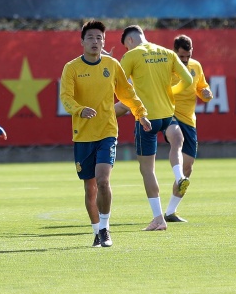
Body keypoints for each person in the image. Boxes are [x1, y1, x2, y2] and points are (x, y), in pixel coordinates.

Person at [60, 21, 150, 247]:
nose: (95, 41)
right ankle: (96, 231)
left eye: (99, 38)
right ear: (82, 41)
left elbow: (127, 94)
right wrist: (80, 109)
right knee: (90, 187)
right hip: (82, 135)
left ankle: (105, 229)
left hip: (107, 132)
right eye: (90, 37)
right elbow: (66, 99)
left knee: (102, 180)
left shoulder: (112, 65)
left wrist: (141, 114)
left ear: (104, 42)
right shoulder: (71, 68)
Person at [120, 25, 192, 231]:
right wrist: (170, 91)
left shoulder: (131, 56)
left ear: (130, 41)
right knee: (176, 144)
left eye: (126, 46)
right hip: (167, 116)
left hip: (147, 119)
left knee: (147, 170)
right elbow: (188, 80)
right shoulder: (167, 53)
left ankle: (158, 219)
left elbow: (118, 84)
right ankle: (179, 176)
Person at [161, 35, 213, 223]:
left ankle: (170, 212)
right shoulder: (166, 66)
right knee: (176, 138)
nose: (184, 60)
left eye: (187, 56)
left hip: (189, 120)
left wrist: (206, 94)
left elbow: (202, 89)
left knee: (188, 167)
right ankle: (179, 177)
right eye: (181, 56)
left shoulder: (196, 66)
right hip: (169, 114)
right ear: (174, 52)